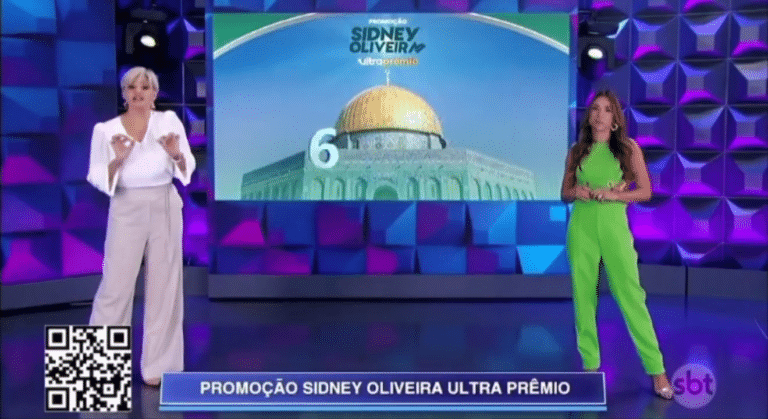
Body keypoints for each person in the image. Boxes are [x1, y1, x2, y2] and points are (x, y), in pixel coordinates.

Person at [86, 66, 196, 386]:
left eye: (145, 87)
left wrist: (176, 155)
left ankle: (159, 368)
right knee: (115, 287)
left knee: (165, 287)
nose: (138, 93)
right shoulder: (105, 130)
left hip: (164, 204)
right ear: (124, 93)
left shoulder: (169, 122)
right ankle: (100, 370)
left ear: (154, 94)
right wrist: (117, 160)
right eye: (132, 87)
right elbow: (95, 175)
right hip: (126, 205)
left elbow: (187, 167)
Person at [560, 90, 673, 400]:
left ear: (614, 119)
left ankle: (657, 371)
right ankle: (590, 368)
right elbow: (564, 193)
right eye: (595, 109)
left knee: (631, 296)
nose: (600, 114)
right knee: (584, 298)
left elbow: (645, 191)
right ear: (589, 116)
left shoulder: (628, 148)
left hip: (614, 228)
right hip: (581, 227)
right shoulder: (576, 152)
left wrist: (613, 195)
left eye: (607, 110)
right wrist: (576, 191)